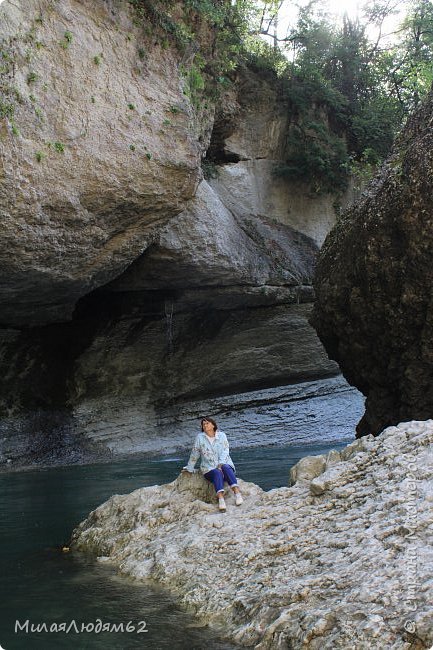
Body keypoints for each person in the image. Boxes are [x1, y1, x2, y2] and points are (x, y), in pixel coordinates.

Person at [182, 416, 243, 512]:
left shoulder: (222, 435)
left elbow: (226, 450)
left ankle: (237, 493)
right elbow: (195, 453)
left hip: (225, 464)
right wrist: (189, 468)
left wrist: (221, 463)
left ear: (213, 425)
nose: (205, 425)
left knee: (226, 467)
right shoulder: (200, 437)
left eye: (207, 423)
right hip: (208, 468)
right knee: (216, 472)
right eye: (203, 424)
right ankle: (221, 500)